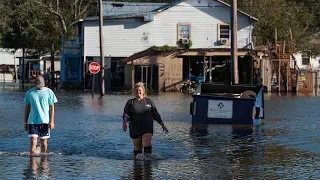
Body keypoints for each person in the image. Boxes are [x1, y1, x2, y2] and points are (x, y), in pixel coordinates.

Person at [122, 82, 168, 156]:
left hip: (147, 127)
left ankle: (148, 163)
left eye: (140, 90)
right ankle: (137, 164)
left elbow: (155, 114)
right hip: (135, 128)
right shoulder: (130, 103)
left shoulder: (149, 101)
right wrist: (124, 123)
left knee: (146, 143)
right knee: (138, 149)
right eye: (136, 90)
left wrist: (162, 125)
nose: (138, 92)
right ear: (134, 92)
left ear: (143, 91)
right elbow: (126, 114)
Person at [24, 75, 58, 155]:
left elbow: (52, 107)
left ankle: (43, 160)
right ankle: (33, 165)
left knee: (44, 143)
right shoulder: (29, 93)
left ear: (44, 83)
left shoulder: (49, 92)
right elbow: (27, 108)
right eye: (37, 85)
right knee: (33, 142)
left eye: (41, 85)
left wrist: (52, 121)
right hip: (32, 121)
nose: (39, 87)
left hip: (44, 121)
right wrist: (25, 122)